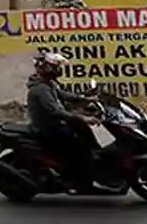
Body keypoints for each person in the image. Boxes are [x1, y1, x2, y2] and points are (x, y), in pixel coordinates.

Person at [25, 52, 112, 192]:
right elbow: (55, 111)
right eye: (54, 67)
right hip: (49, 129)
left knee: (84, 133)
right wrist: (84, 118)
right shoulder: (40, 89)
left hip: (56, 124)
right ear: (43, 68)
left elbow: (65, 96)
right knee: (81, 147)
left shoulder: (48, 84)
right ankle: (82, 183)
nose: (58, 70)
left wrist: (86, 99)